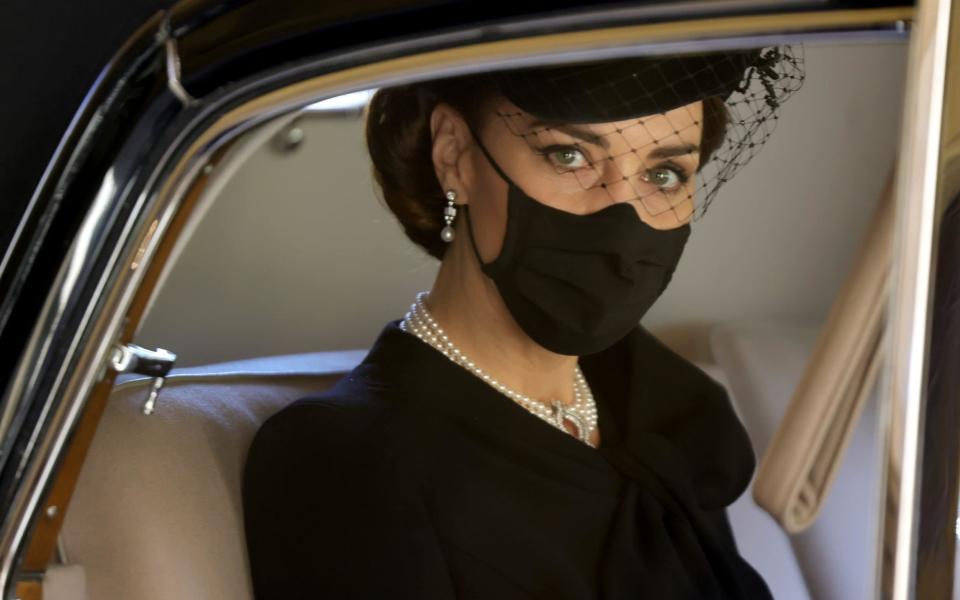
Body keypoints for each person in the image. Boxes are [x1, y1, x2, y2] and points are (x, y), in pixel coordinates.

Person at [243, 47, 804, 599]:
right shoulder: (349, 462)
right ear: (454, 154)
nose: (621, 217)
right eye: (570, 156)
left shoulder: (669, 410)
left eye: (663, 173)